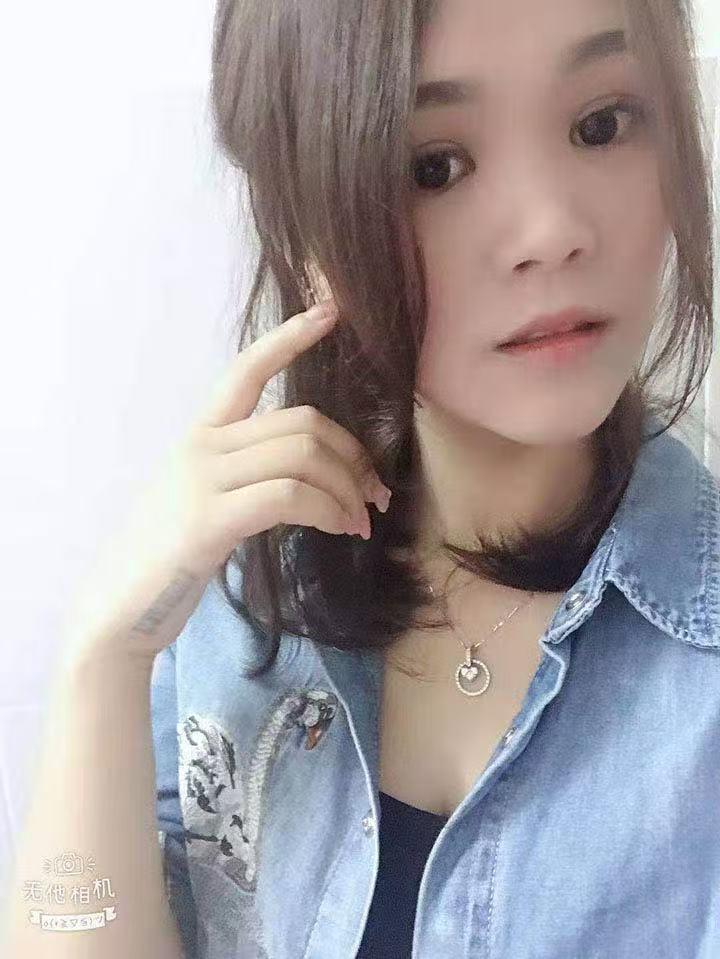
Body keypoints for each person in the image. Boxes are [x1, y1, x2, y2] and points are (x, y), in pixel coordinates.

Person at [2, 0, 719, 957]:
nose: (551, 229)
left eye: (602, 124)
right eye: (435, 167)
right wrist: (104, 660)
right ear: (307, 229)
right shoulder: (242, 591)